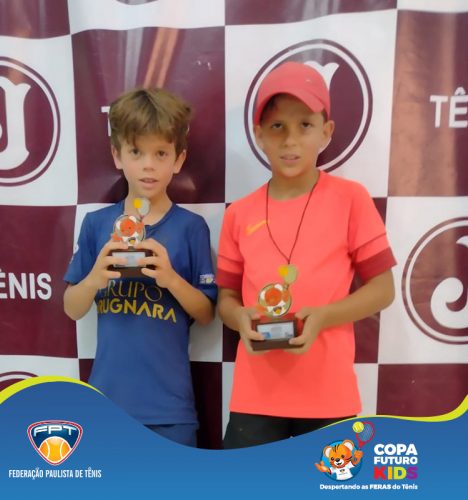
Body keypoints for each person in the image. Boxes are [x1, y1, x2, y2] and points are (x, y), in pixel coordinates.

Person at [216, 61, 396, 448]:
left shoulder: (351, 199)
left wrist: (324, 317)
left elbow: (383, 290)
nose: (290, 140)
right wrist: (239, 316)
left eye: (305, 125)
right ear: (259, 135)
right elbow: (226, 298)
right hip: (255, 396)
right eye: (277, 126)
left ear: (326, 132)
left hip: (329, 396)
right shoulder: (238, 214)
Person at [63, 87, 217, 447]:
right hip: (107, 406)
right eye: (136, 152)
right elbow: (71, 308)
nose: (149, 165)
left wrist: (170, 278)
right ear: (117, 155)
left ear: (178, 159)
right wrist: (95, 277)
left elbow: (207, 313)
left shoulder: (192, 228)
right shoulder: (97, 225)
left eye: (160, 153)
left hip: (171, 410)